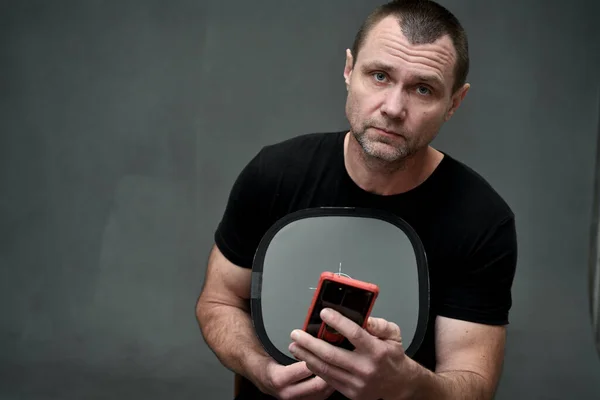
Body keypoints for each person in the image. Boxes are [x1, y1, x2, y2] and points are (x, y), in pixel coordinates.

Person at [196, 0, 518, 399]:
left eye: (423, 89)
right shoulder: (275, 174)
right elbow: (219, 301)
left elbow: (473, 382)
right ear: (349, 70)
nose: (394, 108)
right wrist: (260, 369)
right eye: (380, 76)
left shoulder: (482, 220)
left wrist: (408, 383)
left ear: (454, 102)